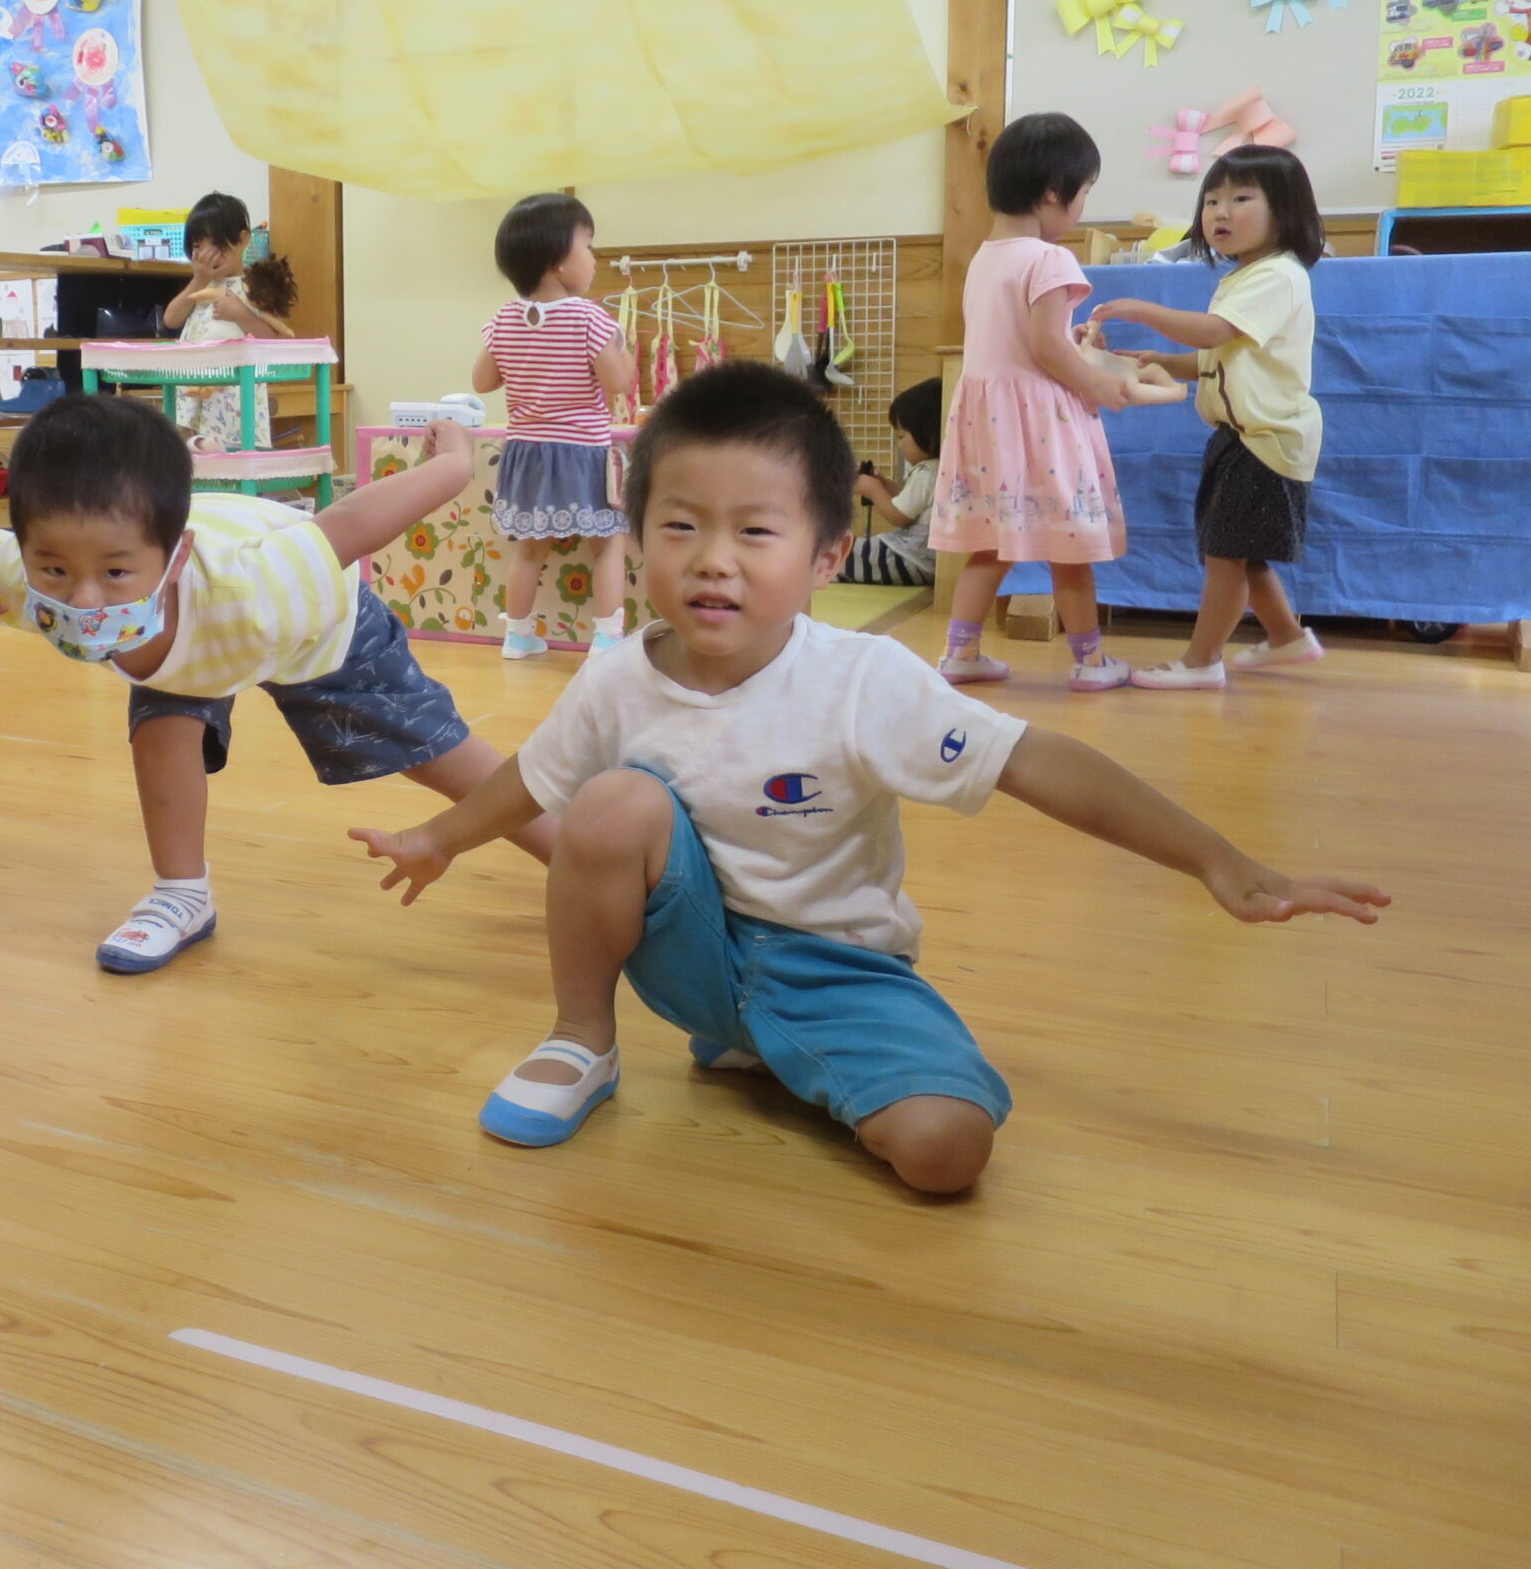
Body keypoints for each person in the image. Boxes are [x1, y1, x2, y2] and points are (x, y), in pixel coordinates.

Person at [350, 364, 1388, 1194]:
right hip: (691, 954)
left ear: (826, 557)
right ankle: (584, 1042)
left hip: (836, 969)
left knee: (946, 1153)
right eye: (679, 527)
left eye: (755, 531)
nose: (713, 559)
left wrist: (1218, 860)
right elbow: (531, 779)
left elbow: (1034, 761)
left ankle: (773, 1048)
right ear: (637, 541)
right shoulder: (616, 678)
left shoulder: (862, 679)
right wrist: (440, 840)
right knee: (612, 802)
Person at [0, 394, 553, 974]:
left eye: (115, 572)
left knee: (434, 752)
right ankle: (181, 896)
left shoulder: (261, 586)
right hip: (191, 647)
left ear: (175, 560)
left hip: (315, 629)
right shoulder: (26, 576)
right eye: (53, 569)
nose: (86, 599)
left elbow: (354, 524)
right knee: (160, 734)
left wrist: (454, 465)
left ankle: (580, 857)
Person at [1089, 145, 1328, 689]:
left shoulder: (1277, 275)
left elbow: (1215, 333)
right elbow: (1221, 354)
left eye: (1242, 198)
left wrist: (1139, 307)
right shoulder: (1247, 276)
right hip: (1243, 436)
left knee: (1226, 553)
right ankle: (1287, 637)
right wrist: (1162, 361)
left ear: (1285, 210)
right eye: (1212, 199)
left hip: (1265, 439)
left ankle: (1202, 662)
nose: (1221, 211)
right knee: (1239, 550)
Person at [929, 112, 1134, 691]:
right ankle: (1091, 663)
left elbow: (1018, 341)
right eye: (1085, 192)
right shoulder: (1050, 258)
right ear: (1052, 192)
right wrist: (1096, 383)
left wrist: (1064, 347)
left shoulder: (984, 258)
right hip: (1039, 424)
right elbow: (1044, 346)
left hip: (989, 425)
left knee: (989, 544)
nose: (1082, 207)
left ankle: (959, 654)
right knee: (1069, 546)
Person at [474, 193, 637, 661]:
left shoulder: (505, 317)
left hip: (527, 452)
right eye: (588, 246)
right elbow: (618, 382)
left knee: (530, 548)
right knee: (607, 543)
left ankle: (518, 635)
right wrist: (624, 347)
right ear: (556, 263)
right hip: (582, 452)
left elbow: (483, 381)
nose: (594, 258)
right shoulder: (588, 316)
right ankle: (607, 639)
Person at [160, 192, 299, 452]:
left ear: (243, 239)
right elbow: (171, 318)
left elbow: (273, 341)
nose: (209, 255)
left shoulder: (254, 286)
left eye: (217, 244)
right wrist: (198, 280)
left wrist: (241, 314)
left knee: (232, 457)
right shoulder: (199, 286)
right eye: (199, 247)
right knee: (190, 455)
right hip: (194, 388)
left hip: (234, 398)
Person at [839, 376, 943, 587]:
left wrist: (873, 489)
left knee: (840, 552)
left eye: (902, 436)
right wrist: (883, 483)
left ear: (928, 434)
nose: (899, 445)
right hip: (918, 560)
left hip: (909, 559)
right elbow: (909, 500)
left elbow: (899, 516)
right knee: (849, 552)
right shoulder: (938, 470)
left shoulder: (928, 472)